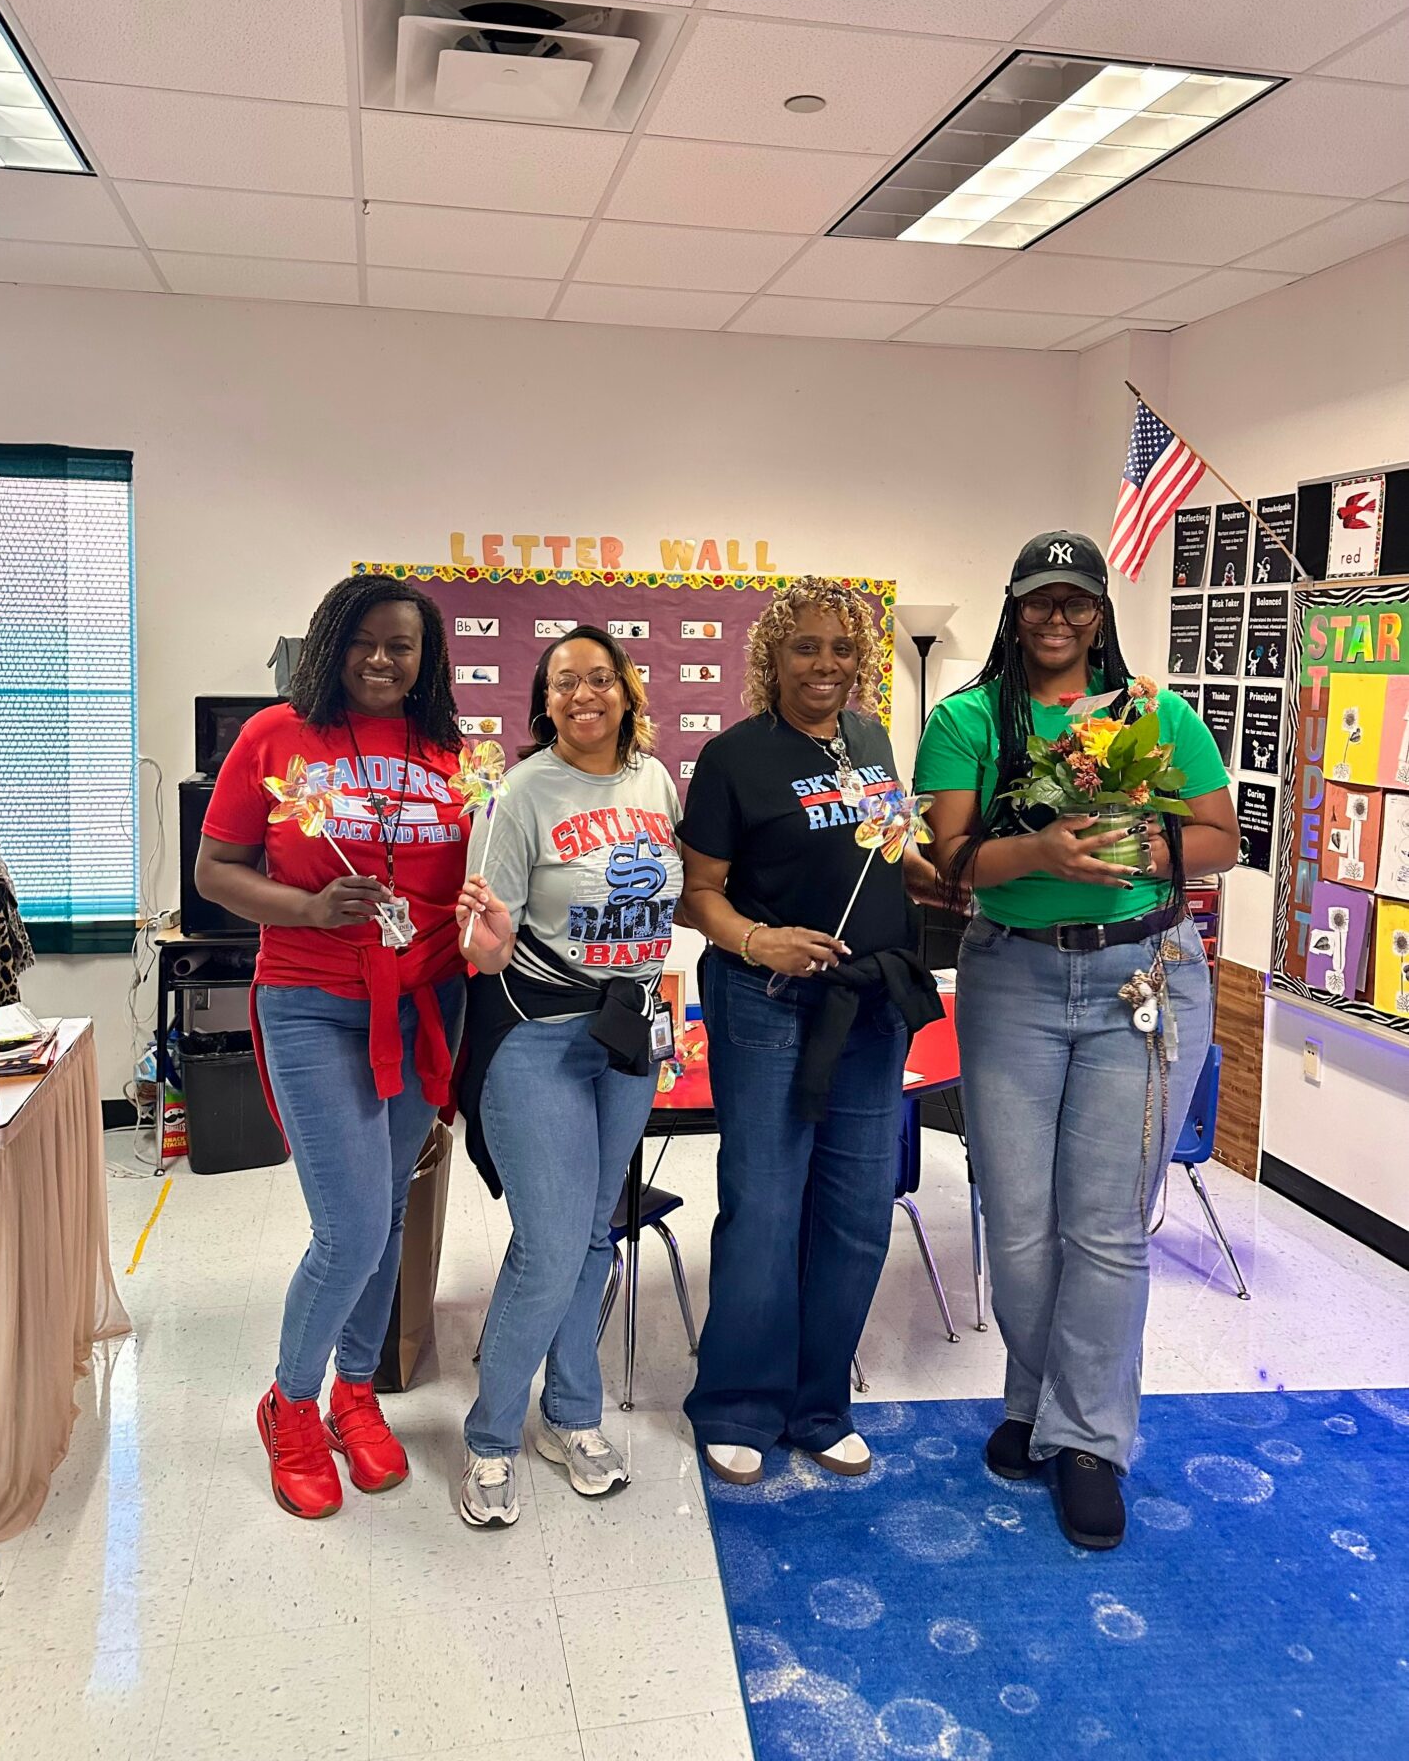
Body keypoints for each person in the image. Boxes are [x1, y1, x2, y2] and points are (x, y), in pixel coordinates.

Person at [915, 531, 1239, 1550]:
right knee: (1015, 1223)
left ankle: (1087, 1439)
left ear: (1101, 612)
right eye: (1039, 601)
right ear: (1013, 610)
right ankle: (1039, 1395)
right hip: (1011, 975)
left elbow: (1222, 838)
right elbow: (952, 859)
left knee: (1104, 1226)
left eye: (1078, 602)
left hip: (1142, 976)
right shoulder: (966, 717)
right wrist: (1047, 848)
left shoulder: (1158, 716)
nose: (1059, 619)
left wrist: (1150, 839)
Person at [195, 574, 468, 1520]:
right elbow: (217, 871)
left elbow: (482, 876)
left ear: (425, 658)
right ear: (329, 645)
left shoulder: (450, 754)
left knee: (388, 1211)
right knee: (348, 1225)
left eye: (402, 645)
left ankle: (358, 1387)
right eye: (364, 642)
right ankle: (292, 1402)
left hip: (426, 1001)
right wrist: (309, 908)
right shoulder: (275, 738)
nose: (383, 661)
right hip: (312, 1000)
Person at [677, 578, 942, 1487]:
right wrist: (759, 941)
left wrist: (948, 870)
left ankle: (819, 1403)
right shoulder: (734, 759)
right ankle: (738, 1403)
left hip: (870, 1009)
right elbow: (696, 893)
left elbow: (888, 851)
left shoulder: (871, 741)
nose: (825, 665)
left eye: (841, 649)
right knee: (765, 1208)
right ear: (773, 660)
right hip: (766, 1007)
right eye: (805, 649)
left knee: (859, 1213)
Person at [454, 627, 682, 1529]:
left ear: (626, 691)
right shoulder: (522, 792)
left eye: (599, 678)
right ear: (544, 703)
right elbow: (480, 944)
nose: (583, 694)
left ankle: (571, 1416)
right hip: (538, 1038)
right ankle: (489, 1437)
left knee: (593, 1235)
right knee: (549, 1246)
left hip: (628, 1039)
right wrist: (488, 939)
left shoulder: (657, 782)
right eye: (563, 684)